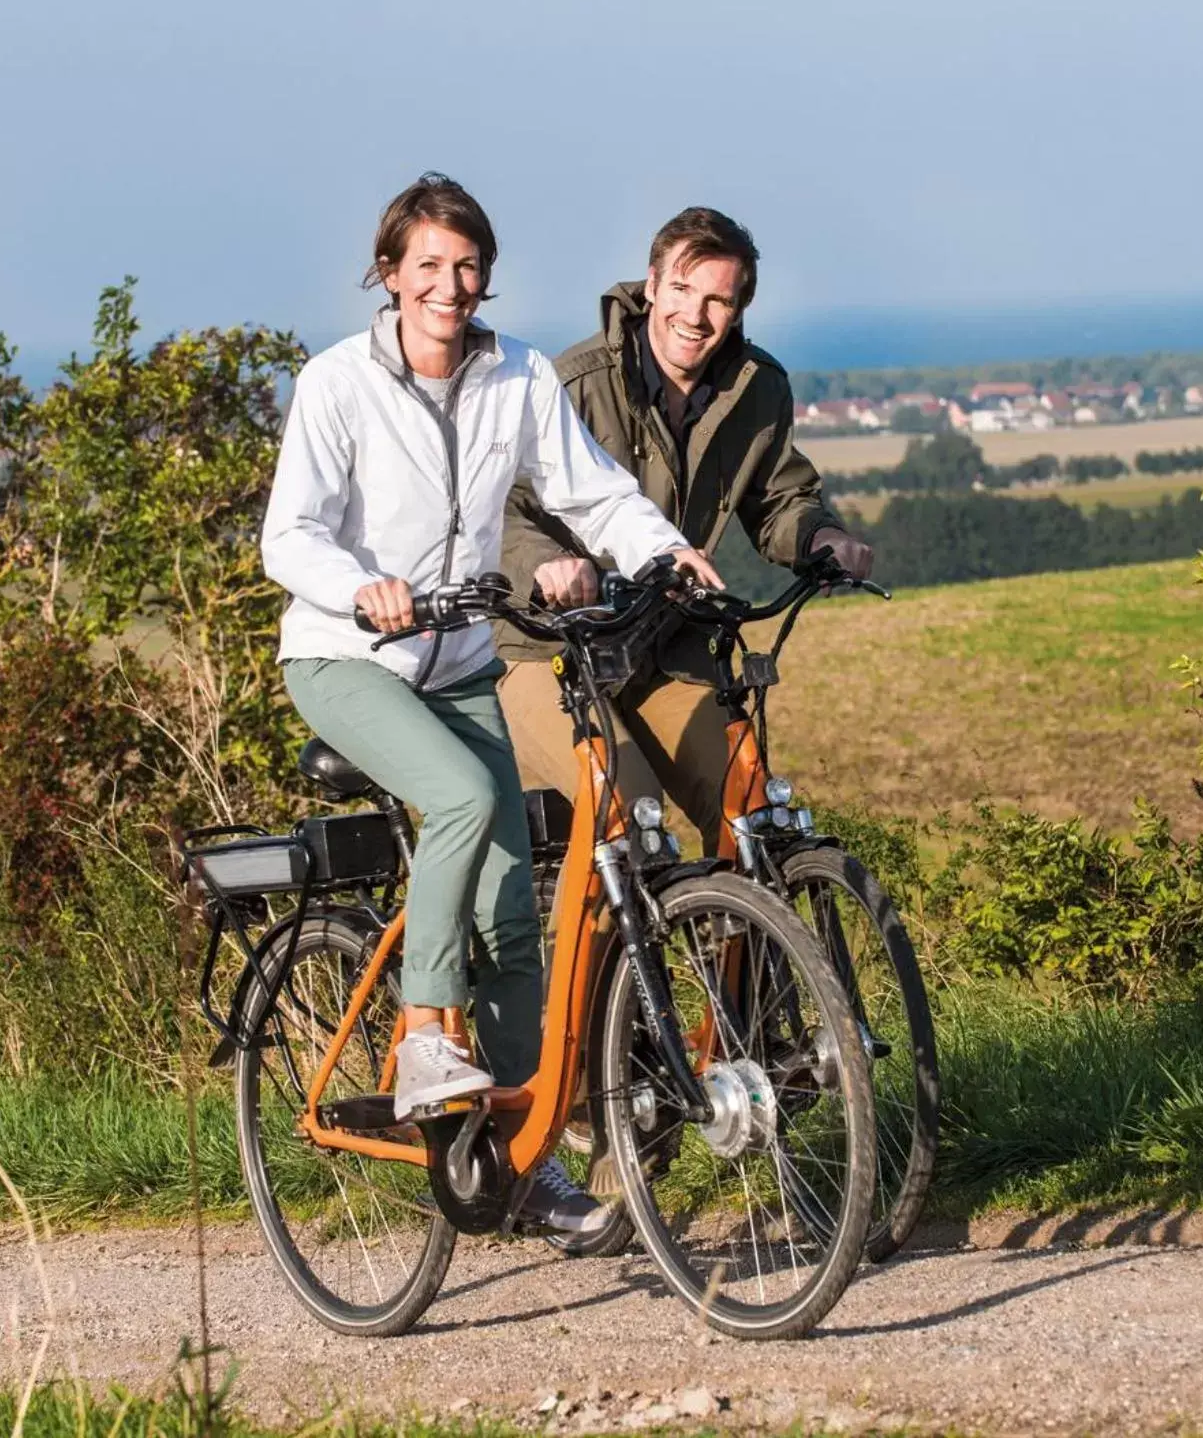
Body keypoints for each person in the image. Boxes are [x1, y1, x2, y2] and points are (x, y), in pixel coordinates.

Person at [259, 174, 722, 1236]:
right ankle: (427, 1028)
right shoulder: (336, 384)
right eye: (427, 265)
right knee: (466, 795)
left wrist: (665, 553)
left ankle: (519, 1166)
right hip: (346, 658)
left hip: (458, 658)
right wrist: (356, 588)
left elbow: (591, 489)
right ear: (389, 275)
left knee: (517, 922)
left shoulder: (514, 375)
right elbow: (289, 537)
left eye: (467, 267)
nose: (450, 286)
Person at [496, 207, 873, 845]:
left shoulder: (758, 391)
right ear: (651, 285)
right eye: (680, 289)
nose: (694, 317)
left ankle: (738, 935)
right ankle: (581, 946)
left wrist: (819, 538)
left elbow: (779, 498)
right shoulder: (574, 384)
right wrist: (545, 565)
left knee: (751, 809)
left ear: (739, 310)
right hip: (548, 647)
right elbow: (503, 506)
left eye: (717, 300)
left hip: (665, 646)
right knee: (628, 807)